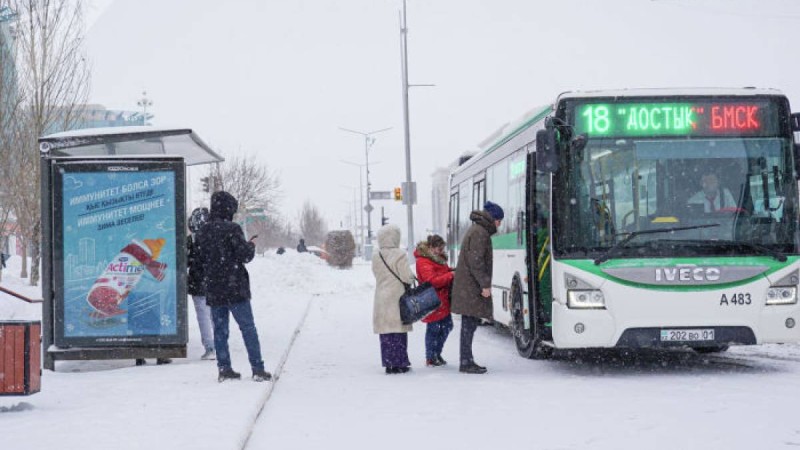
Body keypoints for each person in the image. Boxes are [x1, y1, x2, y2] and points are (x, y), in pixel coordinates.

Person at [196, 191, 271, 382]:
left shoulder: (203, 231)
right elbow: (244, 256)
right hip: (235, 287)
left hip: (214, 288)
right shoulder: (232, 229)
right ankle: (257, 368)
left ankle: (224, 368)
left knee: (220, 331)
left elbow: (200, 259)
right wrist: (251, 245)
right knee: (248, 328)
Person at [451, 201, 504, 374]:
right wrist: (485, 285)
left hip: (469, 286)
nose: (499, 225)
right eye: (499, 220)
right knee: (468, 325)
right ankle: (466, 362)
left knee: (470, 325)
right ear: (492, 218)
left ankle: (467, 360)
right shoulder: (480, 233)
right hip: (471, 288)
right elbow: (476, 262)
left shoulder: (477, 230)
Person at [372, 224, 415, 374]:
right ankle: (400, 363)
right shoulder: (400, 254)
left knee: (386, 332)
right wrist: (411, 278)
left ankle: (389, 364)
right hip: (397, 297)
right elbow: (406, 276)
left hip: (381, 298)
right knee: (398, 331)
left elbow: (376, 274)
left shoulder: (376, 255)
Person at [414, 234, 454, 367]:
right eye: (438, 248)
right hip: (432, 300)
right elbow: (431, 281)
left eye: (442, 248)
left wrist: (452, 270)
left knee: (447, 326)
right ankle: (431, 357)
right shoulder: (423, 261)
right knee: (434, 329)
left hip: (442, 300)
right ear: (430, 247)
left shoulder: (438, 258)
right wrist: (450, 275)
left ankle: (436, 353)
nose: (441, 251)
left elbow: (442, 271)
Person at [187, 207, 216, 361]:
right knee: (215, 314)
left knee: (202, 315)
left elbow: (185, 260)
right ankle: (219, 344)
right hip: (215, 281)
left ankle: (209, 347)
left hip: (197, 282)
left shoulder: (190, 240)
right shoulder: (215, 237)